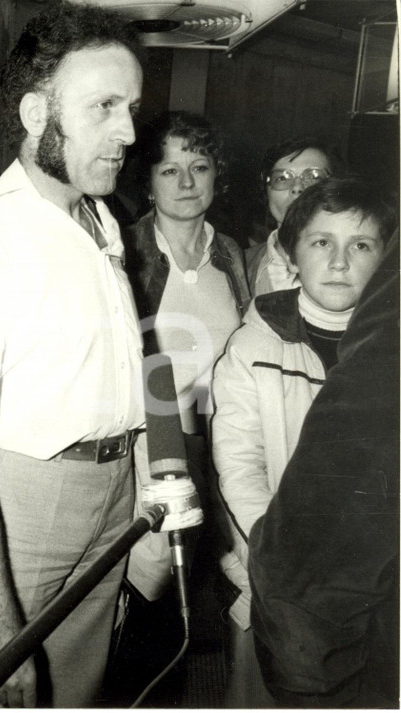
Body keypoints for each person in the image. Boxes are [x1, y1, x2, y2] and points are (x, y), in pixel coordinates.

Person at [0, 4, 145, 706]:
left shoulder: (99, 218)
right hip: (23, 501)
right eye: (104, 106)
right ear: (34, 112)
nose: (129, 132)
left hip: (110, 494)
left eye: (131, 107)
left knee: (73, 694)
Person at [212, 178, 393, 707]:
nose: (339, 261)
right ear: (290, 256)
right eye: (321, 243)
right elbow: (240, 470)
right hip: (280, 578)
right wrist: (284, 562)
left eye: (361, 245)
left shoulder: (389, 351)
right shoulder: (253, 348)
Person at [121, 111, 249, 598]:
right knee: (150, 583)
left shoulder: (231, 254)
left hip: (222, 446)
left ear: (217, 175)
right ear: (148, 184)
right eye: (169, 170)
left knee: (217, 584)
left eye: (199, 166)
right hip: (151, 447)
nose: (187, 181)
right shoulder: (126, 251)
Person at [246, 137, 343, 296]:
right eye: (282, 178)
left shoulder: (359, 264)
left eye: (314, 177)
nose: (297, 188)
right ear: (267, 190)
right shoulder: (238, 265)